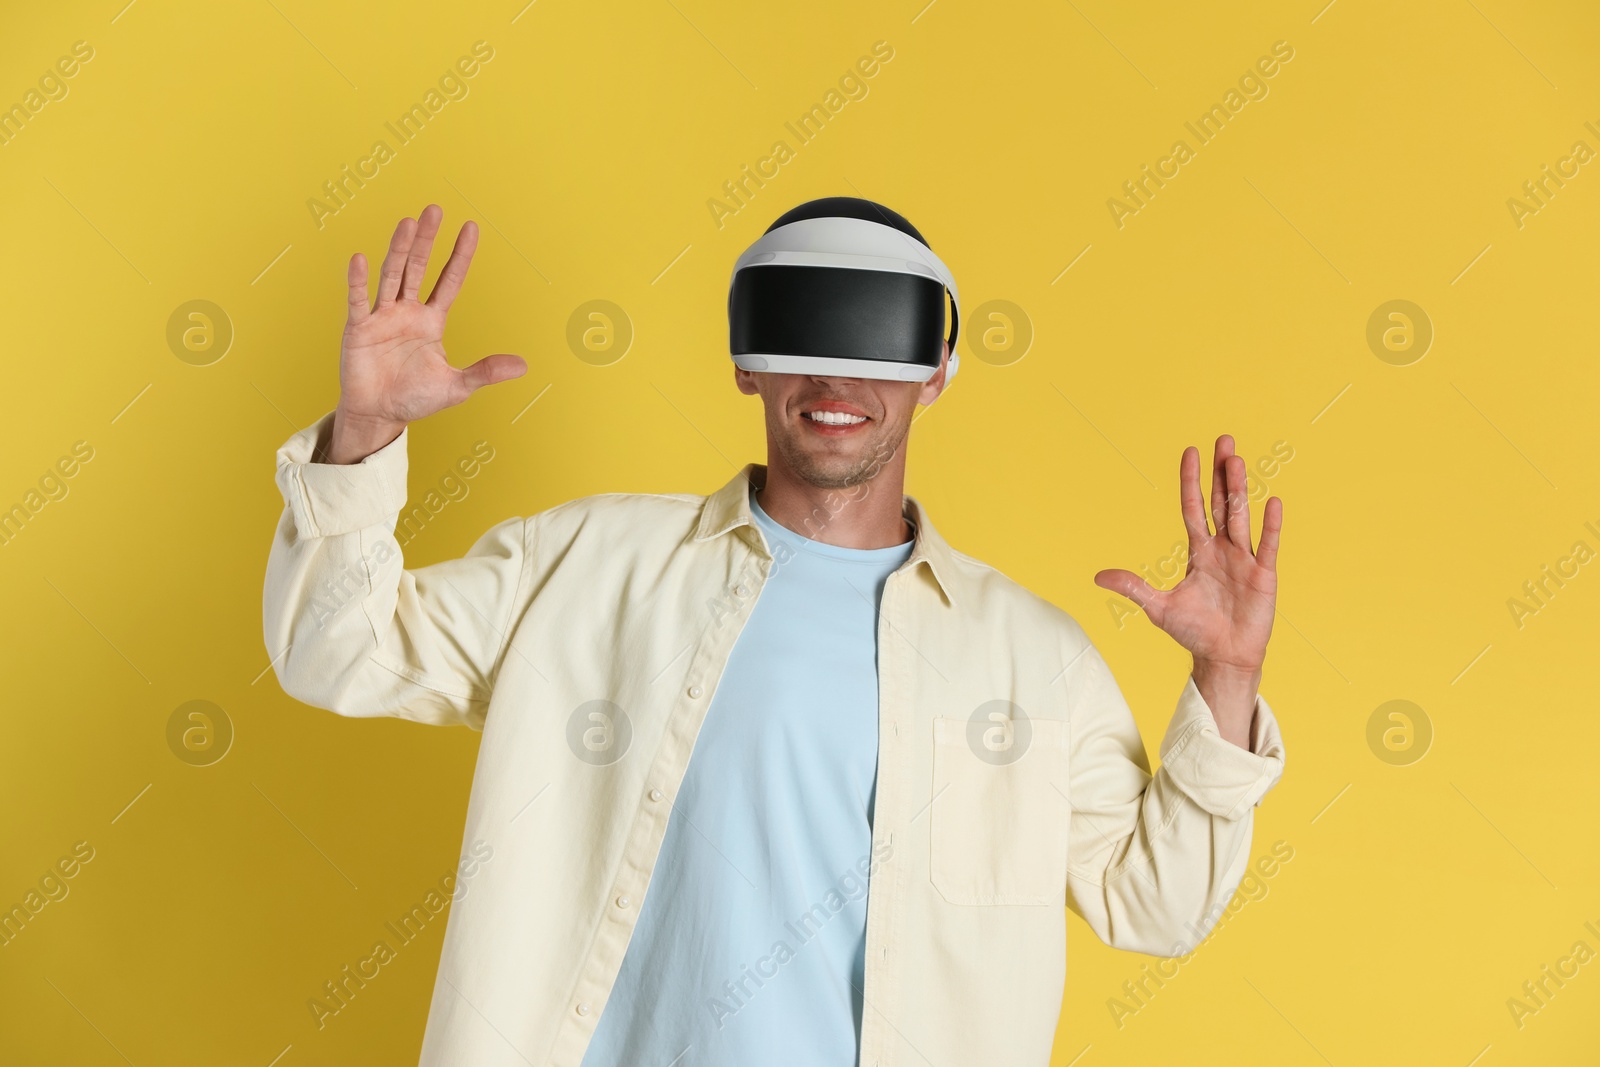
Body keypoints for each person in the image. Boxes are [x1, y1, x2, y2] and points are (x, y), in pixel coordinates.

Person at [263, 199, 1287, 1067]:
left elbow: (1157, 905)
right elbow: (334, 647)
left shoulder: (1033, 658)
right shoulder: (580, 564)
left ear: (935, 372)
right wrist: (367, 434)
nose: (836, 380)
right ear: (747, 361)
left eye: (875, 337)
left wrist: (1227, 676)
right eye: (800, 331)